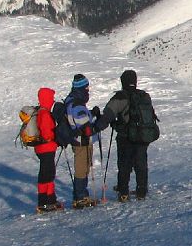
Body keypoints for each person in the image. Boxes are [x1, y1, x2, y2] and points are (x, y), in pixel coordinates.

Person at [103, 69, 156, 202]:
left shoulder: (120, 97)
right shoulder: (144, 96)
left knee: (124, 164)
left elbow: (108, 114)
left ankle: (123, 192)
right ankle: (141, 191)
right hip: (143, 136)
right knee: (141, 163)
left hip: (125, 137)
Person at [62, 73, 99, 208]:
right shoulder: (77, 104)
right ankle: (80, 197)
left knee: (83, 167)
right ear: (82, 88)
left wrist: (91, 113)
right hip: (81, 141)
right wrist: (97, 124)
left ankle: (81, 195)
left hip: (78, 140)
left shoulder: (72, 100)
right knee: (82, 168)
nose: (88, 89)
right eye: (87, 87)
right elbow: (83, 125)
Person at [34, 87, 64, 212]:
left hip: (41, 148)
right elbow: (47, 134)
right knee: (48, 174)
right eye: (51, 98)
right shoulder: (45, 114)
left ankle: (47, 200)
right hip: (47, 148)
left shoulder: (40, 112)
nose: (53, 100)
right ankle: (47, 201)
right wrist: (56, 136)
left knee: (46, 173)